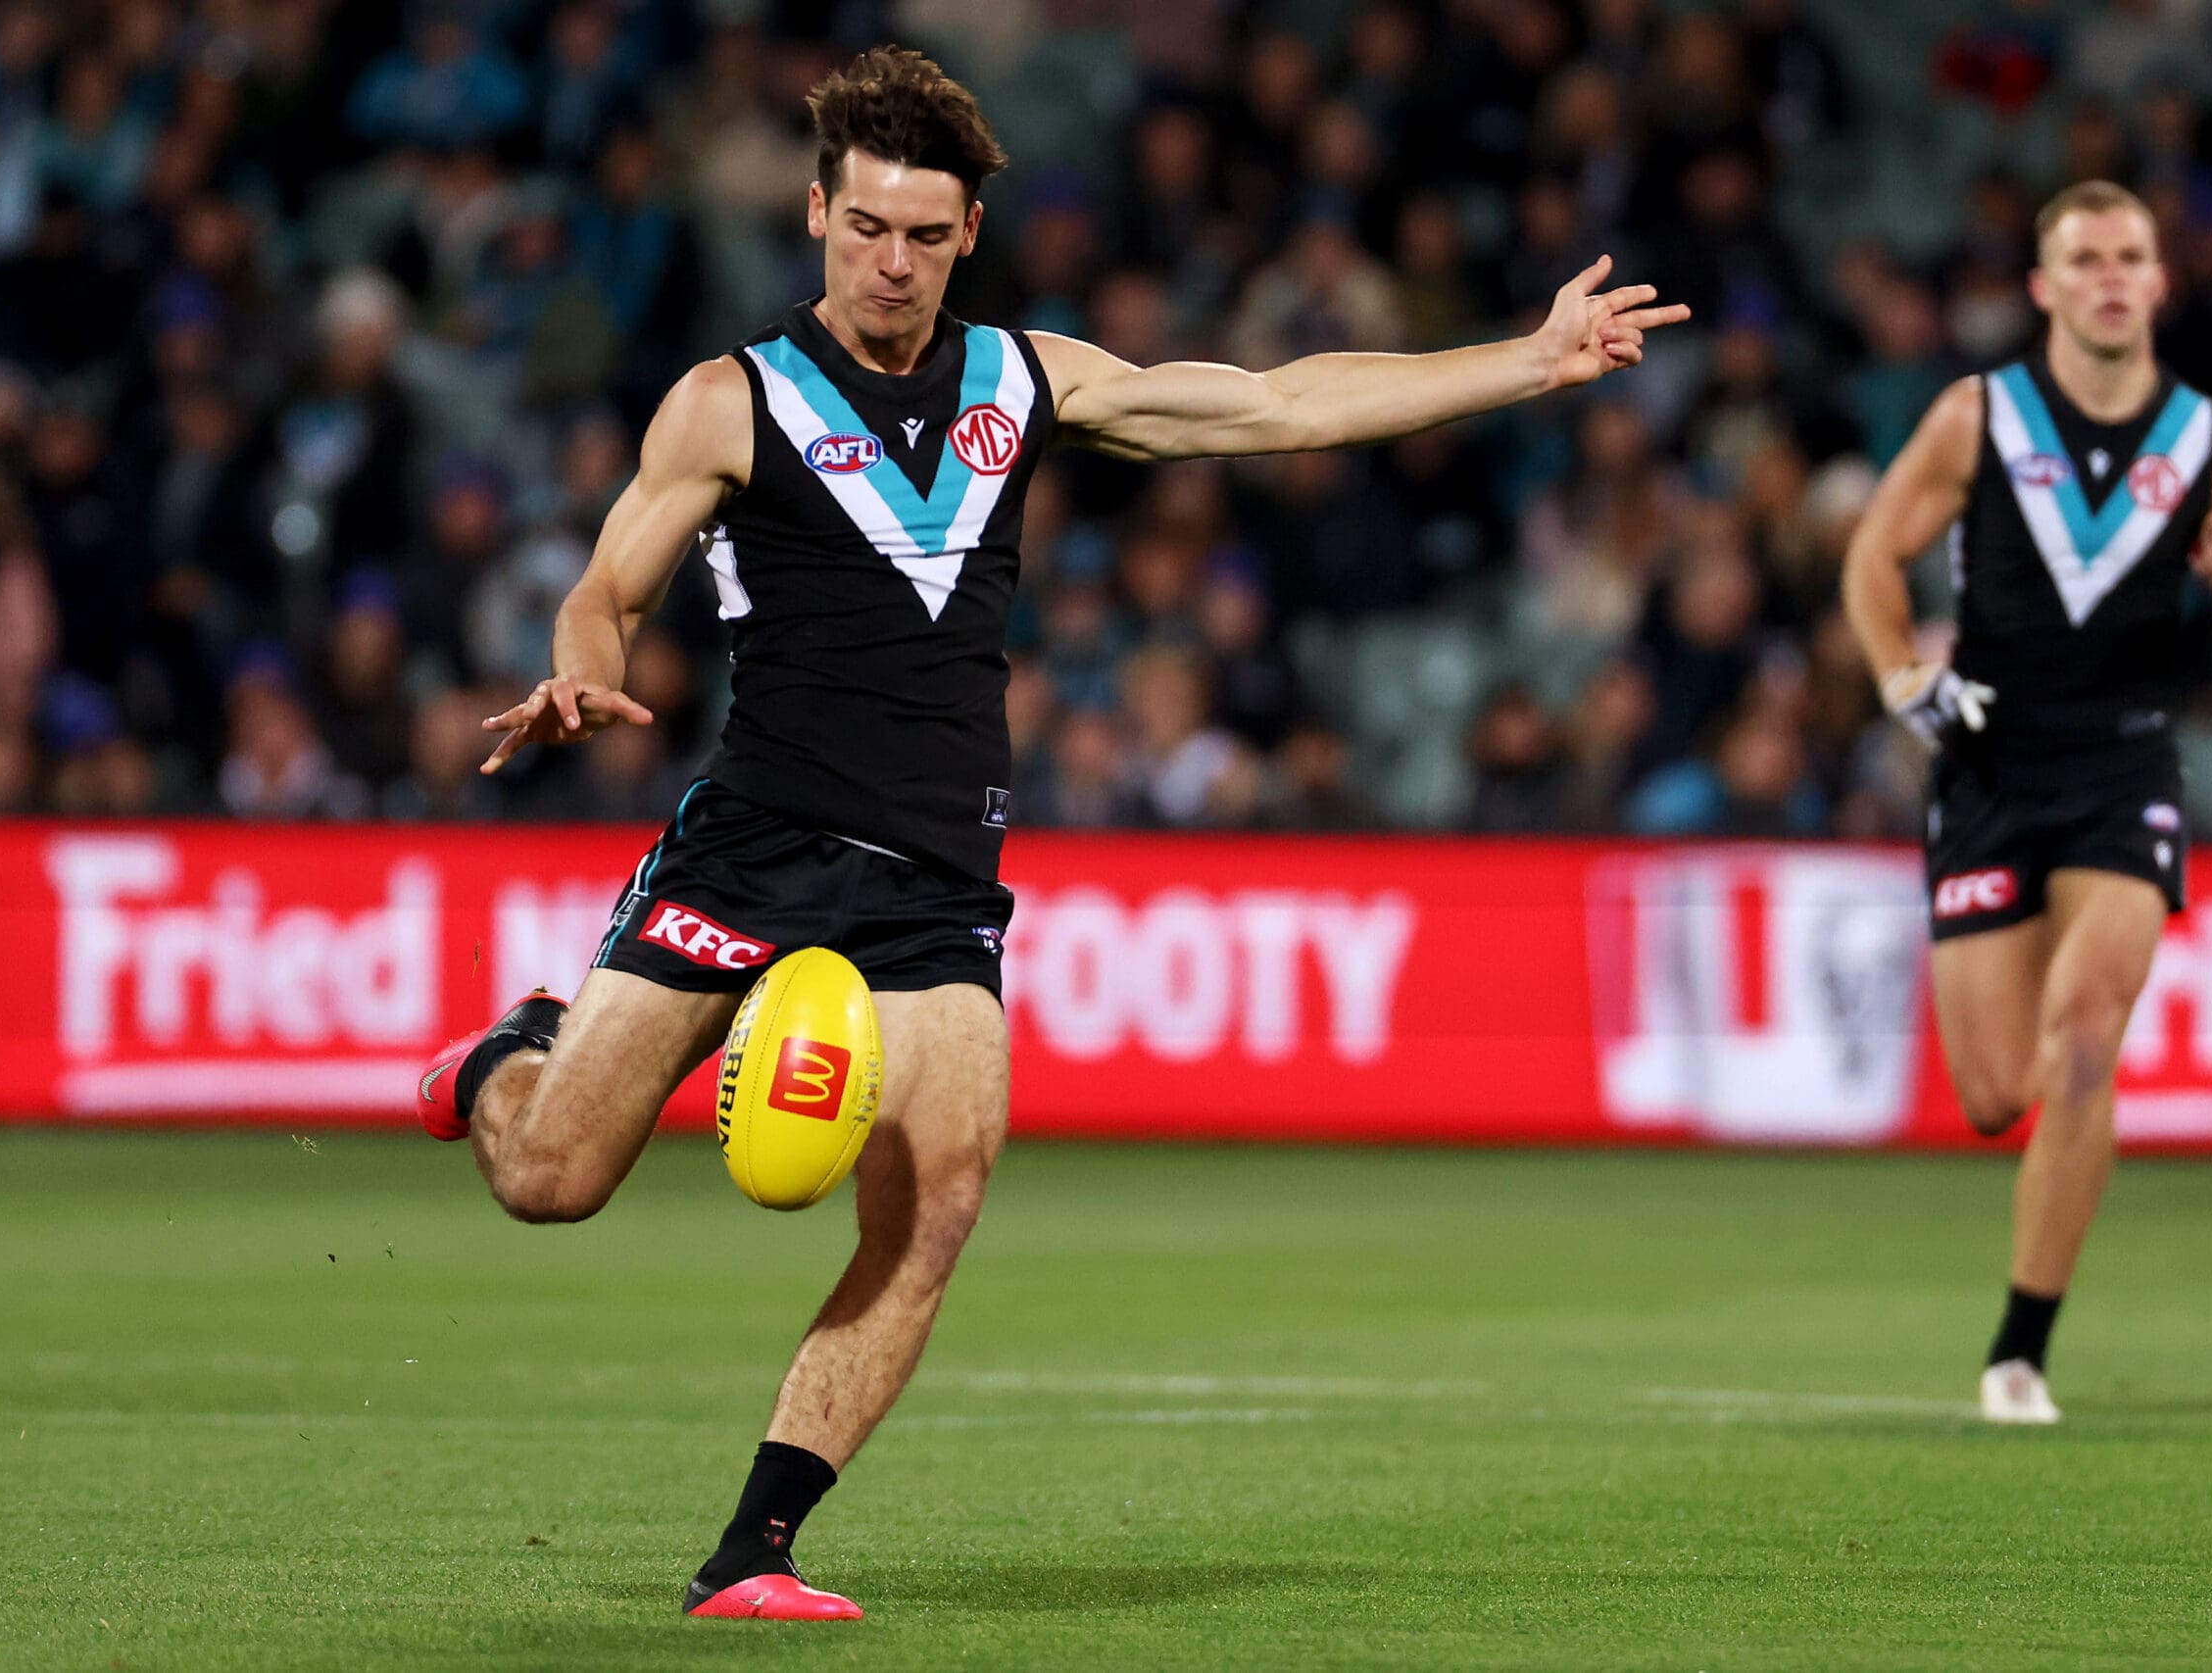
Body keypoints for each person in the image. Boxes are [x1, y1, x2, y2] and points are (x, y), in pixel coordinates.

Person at [414, 45, 1686, 1620]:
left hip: (937, 876)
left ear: (967, 241)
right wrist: (580, 680)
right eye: (866, 226)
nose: (892, 261)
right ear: (817, 213)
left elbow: (1277, 404)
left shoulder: (1026, 381)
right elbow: (606, 589)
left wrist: (1528, 362)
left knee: (939, 1194)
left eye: (926, 236)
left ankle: (753, 1551)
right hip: (751, 839)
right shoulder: (730, 400)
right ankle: (502, 1057)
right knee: (549, 1177)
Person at [1842, 181, 2212, 1425]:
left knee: (2090, 1032)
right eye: (2083, 257)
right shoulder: (1976, 416)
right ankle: (2025, 1313)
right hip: (1988, 767)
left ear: (2160, 283)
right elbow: (1870, 554)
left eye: (2129, 256)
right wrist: (1901, 678)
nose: (2108, 276)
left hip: (2124, 769)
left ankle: (2018, 1352)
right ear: (2043, 287)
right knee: (1994, 1095)